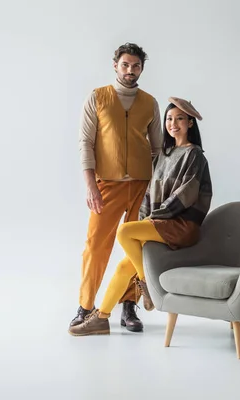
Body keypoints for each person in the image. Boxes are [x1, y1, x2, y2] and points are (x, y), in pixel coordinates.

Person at [69, 97, 213, 336]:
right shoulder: (163, 155)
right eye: (169, 119)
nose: (173, 124)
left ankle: (148, 282)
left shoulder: (194, 155)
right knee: (126, 266)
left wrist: (150, 220)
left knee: (125, 231)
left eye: (179, 119)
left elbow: (185, 195)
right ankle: (101, 318)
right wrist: (147, 219)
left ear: (190, 123)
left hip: (181, 225)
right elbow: (149, 194)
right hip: (160, 222)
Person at [71, 43, 162, 333]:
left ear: (141, 69)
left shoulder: (149, 102)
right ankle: (85, 307)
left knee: (136, 247)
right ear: (115, 65)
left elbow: (158, 148)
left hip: (142, 186)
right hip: (106, 184)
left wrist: (156, 189)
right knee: (96, 246)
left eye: (136, 66)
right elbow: (85, 142)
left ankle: (128, 306)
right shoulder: (97, 97)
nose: (130, 71)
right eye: (125, 65)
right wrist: (90, 185)